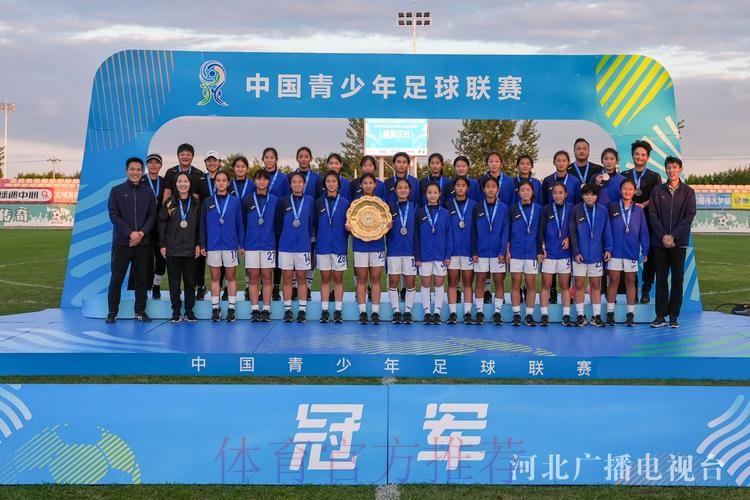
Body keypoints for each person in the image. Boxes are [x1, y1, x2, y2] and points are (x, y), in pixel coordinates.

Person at [105, 157, 157, 323]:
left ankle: (140, 311)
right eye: (132, 169)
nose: (135, 172)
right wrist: (130, 233)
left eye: (138, 170)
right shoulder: (116, 191)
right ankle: (112, 311)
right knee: (117, 278)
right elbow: (114, 215)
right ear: (127, 171)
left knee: (141, 279)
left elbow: (152, 216)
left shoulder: (148, 192)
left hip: (142, 243)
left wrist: (140, 233)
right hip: (123, 243)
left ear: (142, 172)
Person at [649, 156, 696, 328]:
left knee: (677, 280)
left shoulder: (688, 192)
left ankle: (674, 316)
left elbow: (689, 216)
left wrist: (673, 236)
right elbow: (652, 214)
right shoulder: (657, 190)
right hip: (659, 243)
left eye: (675, 167)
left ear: (680, 169)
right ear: (665, 170)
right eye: (669, 167)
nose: (672, 170)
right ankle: (660, 316)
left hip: (678, 243)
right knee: (661, 280)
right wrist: (663, 236)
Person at [622, 140, 663, 304]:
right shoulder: (624, 175)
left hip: (648, 220)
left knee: (649, 255)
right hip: (628, 221)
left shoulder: (654, 176)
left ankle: (646, 288)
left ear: (647, 157)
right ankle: (633, 288)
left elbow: (658, 198)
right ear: (632, 156)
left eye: (643, 155)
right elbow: (621, 195)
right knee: (628, 253)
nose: (639, 157)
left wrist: (643, 205)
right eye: (637, 154)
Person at [199, 171, 243, 322]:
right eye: (218, 180)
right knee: (215, 277)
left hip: (230, 245)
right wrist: (203, 243)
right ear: (215, 183)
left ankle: (231, 308)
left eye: (224, 180)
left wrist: (241, 244)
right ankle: (215, 308)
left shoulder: (235, 201)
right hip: (213, 245)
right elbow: (203, 225)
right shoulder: (207, 202)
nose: (221, 183)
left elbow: (240, 224)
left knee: (231, 276)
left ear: (228, 183)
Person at [606, 179, 650, 326]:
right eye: (625, 189)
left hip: (631, 251)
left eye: (630, 189)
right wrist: (607, 248)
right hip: (615, 252)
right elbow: (607, 230)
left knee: (630, 281)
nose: (627, 191)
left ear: (634, 191)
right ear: (620, 190)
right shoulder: (612, 208)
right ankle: (610, 313)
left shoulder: (638, 210)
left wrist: (645, 249)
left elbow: (643, 232)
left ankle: (630, 314)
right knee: (614, 281)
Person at [158, 172, 201, 323]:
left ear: (190, 184)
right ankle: (176, 312)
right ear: (175, 184)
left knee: (190, 282)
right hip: (173, 249)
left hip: (190, 249)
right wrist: (163, 244)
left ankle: (189, 311)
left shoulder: (196, 203)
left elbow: (200, 226)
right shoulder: (169, 203)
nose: (183, 184)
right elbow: (162, 224)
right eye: (179, 181)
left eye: (186, 181)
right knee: (174, 283)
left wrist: (198, 244)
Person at [541, 150, 582, 305]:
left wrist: (570, 236)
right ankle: (551, 292)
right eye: (558, 160)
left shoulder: (575, 181)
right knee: (548, 273)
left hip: (567, 223)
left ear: (568, 162)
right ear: (554, 162)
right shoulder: (547, 180)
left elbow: (578, 204)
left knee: (565, 272)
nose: (561, 163)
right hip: (552, 222)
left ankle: (569, 297)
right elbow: (544, 202)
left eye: (564, 160)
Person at [569, 184, 613, 327]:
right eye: (586, 194)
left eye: (593, 194)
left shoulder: (603, 210)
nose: (590, 197)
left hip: (596, 255)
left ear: (597, 196)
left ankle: (596, 316)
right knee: (579, 285)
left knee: (595, 285)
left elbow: (607, 230)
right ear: (582, 196)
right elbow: (572, 233)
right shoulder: (576, 210)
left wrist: (608, 248)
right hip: (579, 257)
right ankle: (580, 315)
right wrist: (576, 252)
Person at [347, 173, 386, 324]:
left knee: (376, 279)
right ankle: (362, 312)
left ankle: (375, 312)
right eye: (365, 183)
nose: (368, 185)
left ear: (375, 185)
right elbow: (350, 222)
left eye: (371, 183)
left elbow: (385, 222)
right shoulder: (355, 204)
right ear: (360, 185)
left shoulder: (381, 203)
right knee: (361, 279)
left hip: (377, 245)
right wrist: (349, 227)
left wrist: (388, 225)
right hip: (360, 245)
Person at [276, 171, 315, 323]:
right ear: (290, 184)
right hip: (286, 246)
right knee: (287, 279)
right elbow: (278, 224)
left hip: (303, 247)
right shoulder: (283, 201)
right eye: (294, 182)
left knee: (301, 279)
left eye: (300, 182)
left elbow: (311, 223)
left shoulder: (310, 200)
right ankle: (287, 310)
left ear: (304, 184)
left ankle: (302, 310)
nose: (297, 184)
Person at [477, 151, 514, 304]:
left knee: (499, 271)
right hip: (485, 222)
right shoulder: (481, 180)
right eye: (491, 161)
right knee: (483, 270)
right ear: (487, 163)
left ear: (501, 163)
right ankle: (486, 291)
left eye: (496, 161)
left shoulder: (509, 181)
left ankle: (499, 297)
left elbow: (512, 201)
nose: (493, 164)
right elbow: (478, 202)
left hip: (501, 220)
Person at [242, 169, 279, 323]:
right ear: (254, 181)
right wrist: (243, 244)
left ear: (268, 182)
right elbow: (243, 223)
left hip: (268, 245)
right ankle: (255, 309)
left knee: (267, 278)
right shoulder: (247, 200)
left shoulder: (275, 200)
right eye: (259, 179)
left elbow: (278, 224)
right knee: (253, 278)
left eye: (265, 179)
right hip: (251, 245)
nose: (262, 182)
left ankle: (266, 310)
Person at [471, 177, 509, 325]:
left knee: (499, 282)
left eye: (493, 186)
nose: (491, 189)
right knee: (480, 282)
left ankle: (497, 313)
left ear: (497, 189)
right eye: (488, 186)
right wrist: (474, 250)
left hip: (497, 252)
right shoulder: (477, 207)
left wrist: (502, 250)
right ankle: (479, 312)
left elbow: (505, 231)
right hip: (481, 252)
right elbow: (473, 231)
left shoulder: (503, 208)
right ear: (483, 189)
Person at [315, 171, 350, 323]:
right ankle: (324, 310)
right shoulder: (318, 203)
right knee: (325, 278)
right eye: (328, 181)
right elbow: (315, 224)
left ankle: (338, 311)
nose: (331, 183)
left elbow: (350, 225)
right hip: (323, 246)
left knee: (338, 279)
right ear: (325, 184)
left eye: (334, 181)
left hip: (339, 246)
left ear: (338, 184)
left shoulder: (346, 203)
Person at [415, 182, 452, 324]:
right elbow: (416, 236)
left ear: (439, 194)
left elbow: (449, 235)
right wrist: (418, 255)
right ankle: (427, 312)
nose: (432, 195)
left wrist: (448, 254)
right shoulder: (420, 213)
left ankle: (436, 312)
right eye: (429, 192)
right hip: (424, 255)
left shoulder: (445, 213)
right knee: (425, 283)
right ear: (426, 194)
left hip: (441, 255)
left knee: (439, 283)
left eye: (435, 192)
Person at [538, 182, 574, 326]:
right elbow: (541, 230)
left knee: (564, 286)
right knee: (546, 285)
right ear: (552, 195)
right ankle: (544, 314)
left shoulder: (571, 208)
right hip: (549, 254)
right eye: (555, 193)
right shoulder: (546, 209)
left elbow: (575, 229)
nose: (557, 195)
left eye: (560, 193)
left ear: (566, 194)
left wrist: (569, 238)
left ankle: (566, 315)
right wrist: (541, 248)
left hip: (564, 254)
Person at [258, 147, 291, 302]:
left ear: (276, 159)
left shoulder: (283, 178)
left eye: (272, 157)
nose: (269, 160)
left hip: (277, 220)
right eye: (267, 157)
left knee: (277, 256)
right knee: (261, 255)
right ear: (263, 159)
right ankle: (261, 287)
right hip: (261, 222)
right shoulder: (259, 176)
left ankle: (276, 287)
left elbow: (286, 200)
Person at [508, 181, 542, 326]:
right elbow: (508, 231)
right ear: (518, 192)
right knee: (515, 283)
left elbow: (541, 232)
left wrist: (540, 250)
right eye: (522, 190)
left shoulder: (539, 209)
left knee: (530, 284)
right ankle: (516, 314)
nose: (525, 192)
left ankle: (529, 315)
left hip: (532, 253)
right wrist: (507, 250)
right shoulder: (512, 209)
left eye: (528, 190)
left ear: (532, 192)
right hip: (516, 252)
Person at [386, 178, 418, 324]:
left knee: (410, 281)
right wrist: (386, 227)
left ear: (409, 190)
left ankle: (408, 312)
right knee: (393, 281)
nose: (403, 190)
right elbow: (382, 231)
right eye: (400, 188)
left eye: (405, 188)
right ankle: (396, 312)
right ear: (395, 190)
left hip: (411, 251)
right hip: (394, 250)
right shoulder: (389, 208)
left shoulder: (415, 208)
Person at [446, 176, 476, 324]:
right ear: (454, 188)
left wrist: (475, 250)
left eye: (463, 185)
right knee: (452, 282)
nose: (460, 188)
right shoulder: (447, 205)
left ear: (467, 188)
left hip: (468, 250)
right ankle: (452, 313)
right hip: (452, 251)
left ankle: (467, 313)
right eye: (457, 185)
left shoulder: (474, 205)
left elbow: (477, 229)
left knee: (468, 282)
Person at [292, 147, 321, 300]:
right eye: (300, 156)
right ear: (297, 158)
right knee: (293, 253)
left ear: (310, 158)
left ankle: (308, 286)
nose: (303, 159)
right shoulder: (291, 176)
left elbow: (320, 199)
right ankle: (294, 287)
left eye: (306, 156)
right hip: (293, 221)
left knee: (310, 254)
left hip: (311, 221)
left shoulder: (317, 178)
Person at [195, 150, 222, 300]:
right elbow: (196, 201)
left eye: (214, 160)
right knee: (200, 256)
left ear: (219, 162)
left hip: (221, 223)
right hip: (204, 221)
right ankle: (200, 286)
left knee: (220, 257)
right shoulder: (199, 180)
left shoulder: (223, 179)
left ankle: (222, 287)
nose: (212, 163)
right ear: (205, 163)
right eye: (209, 160)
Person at [139, 153, 166, 300]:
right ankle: (142, 286)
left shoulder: (164, 181)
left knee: (161, 259)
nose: (153, 165)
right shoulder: (141, 180)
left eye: (156, 163)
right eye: (151, 162)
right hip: (144, 226)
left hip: (160, 227)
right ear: (147, 165)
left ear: (161, 165)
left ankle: (156, 285)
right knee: (144, 259)